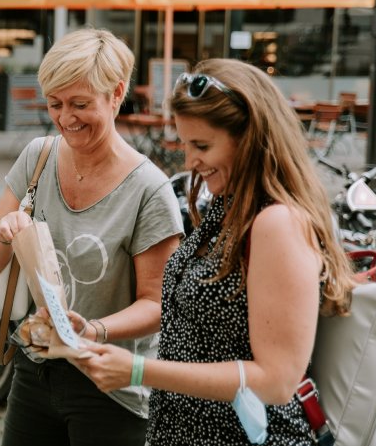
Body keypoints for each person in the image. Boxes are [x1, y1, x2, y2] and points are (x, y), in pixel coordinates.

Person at [78, 58, 357, 445]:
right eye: (186, 143)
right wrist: (96, 330)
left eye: (202, 145)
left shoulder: (276, 223)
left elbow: (277, 382)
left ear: (250, 139)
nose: (190, 161)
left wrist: (139, 371)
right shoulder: (228, 205)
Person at [0, 28, 184, 446]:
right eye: (55, 104)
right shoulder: (39, 156)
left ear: (116, 93)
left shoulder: (150, 191)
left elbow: (157, 305)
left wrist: (95, 329)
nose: (66, 117)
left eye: (80, 104)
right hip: (36, 369)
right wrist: (4, 232)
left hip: (110, 383)